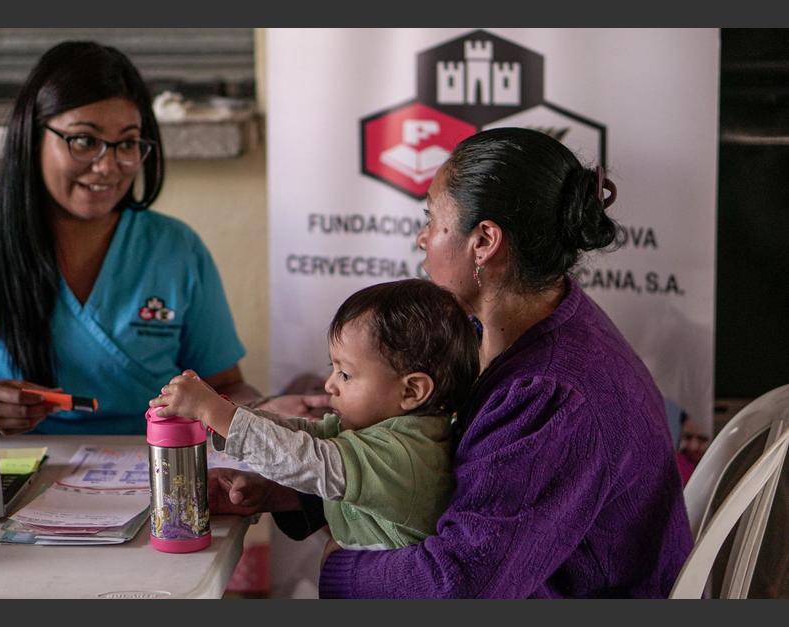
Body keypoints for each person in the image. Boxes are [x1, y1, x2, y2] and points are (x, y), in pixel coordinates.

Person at [209, 127, 694, 598]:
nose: (422, 239)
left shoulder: (551, 393)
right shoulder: (510, 332)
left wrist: (339, 566)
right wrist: (290, 494)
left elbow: (459, 585)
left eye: (432, 220)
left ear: (484, 241)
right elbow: (432, 476)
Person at [0, 41, 259, 435]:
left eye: (127, 143)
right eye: (84, 140)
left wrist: (267, 412)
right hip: (17, 475)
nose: (107, 165)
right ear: (32, 136)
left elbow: (226, 387)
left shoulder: (176, 249)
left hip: (155, 472)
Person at [151, 279, 479, 551]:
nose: (330, 384)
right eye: (331, 368)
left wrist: (216, 411)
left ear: (411, 392)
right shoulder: (382, 431)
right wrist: (224, 419)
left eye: (345, 374)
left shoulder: (403, 455)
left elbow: (306, 460)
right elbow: (306, 436)